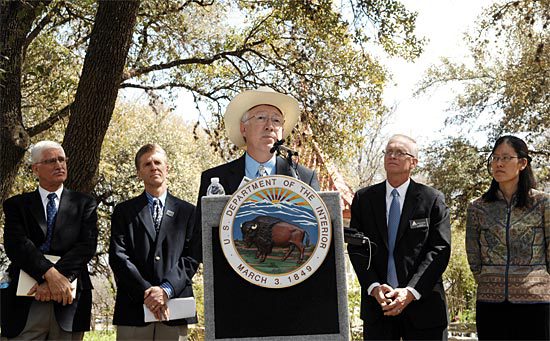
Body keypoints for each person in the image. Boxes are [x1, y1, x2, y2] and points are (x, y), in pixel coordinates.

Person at [348, 134, 451, 340]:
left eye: (399, 152)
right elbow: (357, 247)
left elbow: (440, 249)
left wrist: (411, 291)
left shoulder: (432, 199)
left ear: (413, 162)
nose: (392, 156)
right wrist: (374, 287)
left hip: (424, 308)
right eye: (388, 152)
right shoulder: (364, 199)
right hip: (379, 306)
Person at [1, 140, 98, 340]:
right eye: (51, 160)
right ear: (36, 168)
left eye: (62, 159)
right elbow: (17, 245)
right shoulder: (16, 205)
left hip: (68, 300)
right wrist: (49, 275)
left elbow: (86, 247)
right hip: (26, 299)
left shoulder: (85, 204)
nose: (59, 165)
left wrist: (54, 282)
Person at [109, 144, 199, 341]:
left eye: (158, 162)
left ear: (167, 168)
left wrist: (166, 290)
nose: (153, 167)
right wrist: (148, 294)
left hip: (174, 309)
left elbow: (191, 258)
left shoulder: (188, 212)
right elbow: (118, 257)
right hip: (134, 309)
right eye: (147, 164)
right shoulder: (124, 212)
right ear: (139, 173)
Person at [466, 135, 549, 340]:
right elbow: (473, 252)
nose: (499, 164)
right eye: (495, 158)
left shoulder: (542, 203)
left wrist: (538, 283)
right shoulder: (478, 207)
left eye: (505, 158)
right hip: (490, 302)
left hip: (536, 301)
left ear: (522, 163)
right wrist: (487, 279)